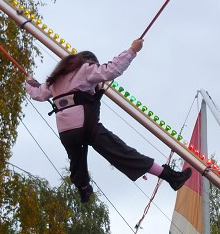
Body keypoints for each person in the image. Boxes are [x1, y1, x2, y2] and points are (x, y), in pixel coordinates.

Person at [25, 39, 191, 202]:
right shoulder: (85, 69)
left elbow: (37, 93)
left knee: (77, 162)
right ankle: (170, 176)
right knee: (122, 153)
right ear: (88, 61)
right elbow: (111, 70)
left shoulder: (54, 81)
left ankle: (83, 188)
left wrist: (29, 82)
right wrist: (133, 50)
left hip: (66, 133)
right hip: (86, 127)